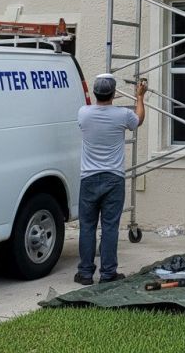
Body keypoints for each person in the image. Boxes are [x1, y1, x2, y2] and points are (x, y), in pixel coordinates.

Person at [74, 74, 147, 285]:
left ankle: (85, 274)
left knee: (87, 226)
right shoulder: (122, 115)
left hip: (88, 178)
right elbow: (139, 120)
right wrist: (139, 97)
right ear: (114, 94)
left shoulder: (83, 113)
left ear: (96, 93)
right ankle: (108, 274)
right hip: (113, 179)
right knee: (109, 227)